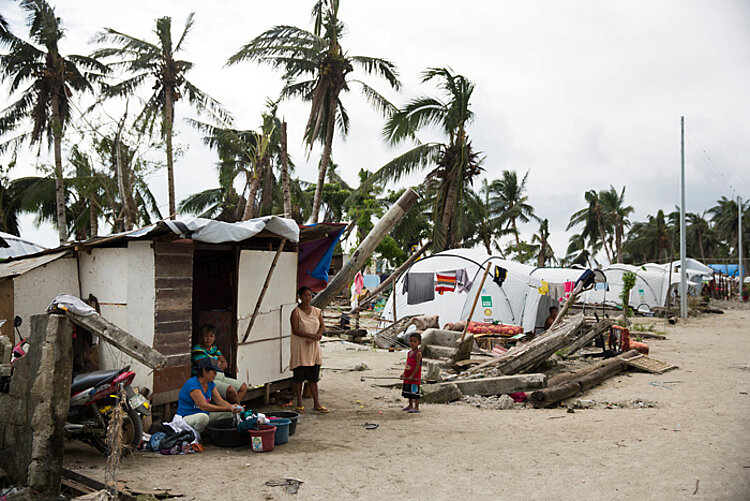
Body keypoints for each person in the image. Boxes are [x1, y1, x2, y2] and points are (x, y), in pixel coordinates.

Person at [176, 357, 242, 433]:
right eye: (214, 371)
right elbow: (203, 406)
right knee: (203, 418)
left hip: (205, 414)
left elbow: (219, 401)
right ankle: (195, 437)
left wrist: (233, 407)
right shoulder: (193, 384)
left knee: (229, 414)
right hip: (187, 418)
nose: (216, 374)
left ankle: (205, 432)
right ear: (204, 370)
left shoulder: (210, 383)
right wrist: (227, 408)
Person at [289, 286, 329, 414]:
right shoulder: (296, 312)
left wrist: (317, 335)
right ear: (300, 297)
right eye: (305, 295)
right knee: (298, 378)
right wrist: (311, 336)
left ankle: (317, 403)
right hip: (300, 348)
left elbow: (322, 326)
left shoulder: (317, 311)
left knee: (313, 378)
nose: (307, 298)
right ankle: (299, 403)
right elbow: (295, 330)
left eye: (310, 295)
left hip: (313, 348)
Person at [191, 324, 247, 404]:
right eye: (206, 336)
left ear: (214, 338)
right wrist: (217, 362)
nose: (208, 339)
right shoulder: (197, 349)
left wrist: (215, 363)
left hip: (221, 376)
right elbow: (205, 364)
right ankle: (235, 410)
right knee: (230, 390)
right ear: (201, 338)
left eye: (211, 336)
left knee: (243, 387)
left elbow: (224, 364)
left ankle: (233, 409)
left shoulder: (214, 348)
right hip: (209, 380)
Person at [401, 332, 422, 413]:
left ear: (419, 343)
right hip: (408, 375)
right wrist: (404, 374)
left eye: (415, 341)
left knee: (415, 392)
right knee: (409, 392)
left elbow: (417, 366)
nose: (412, 343)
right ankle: (410, 405)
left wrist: (413, 375)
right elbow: (407, 364)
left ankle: (416, 407)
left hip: (415, 376)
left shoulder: (418, 353)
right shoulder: (409, 353)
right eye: (411, 341)